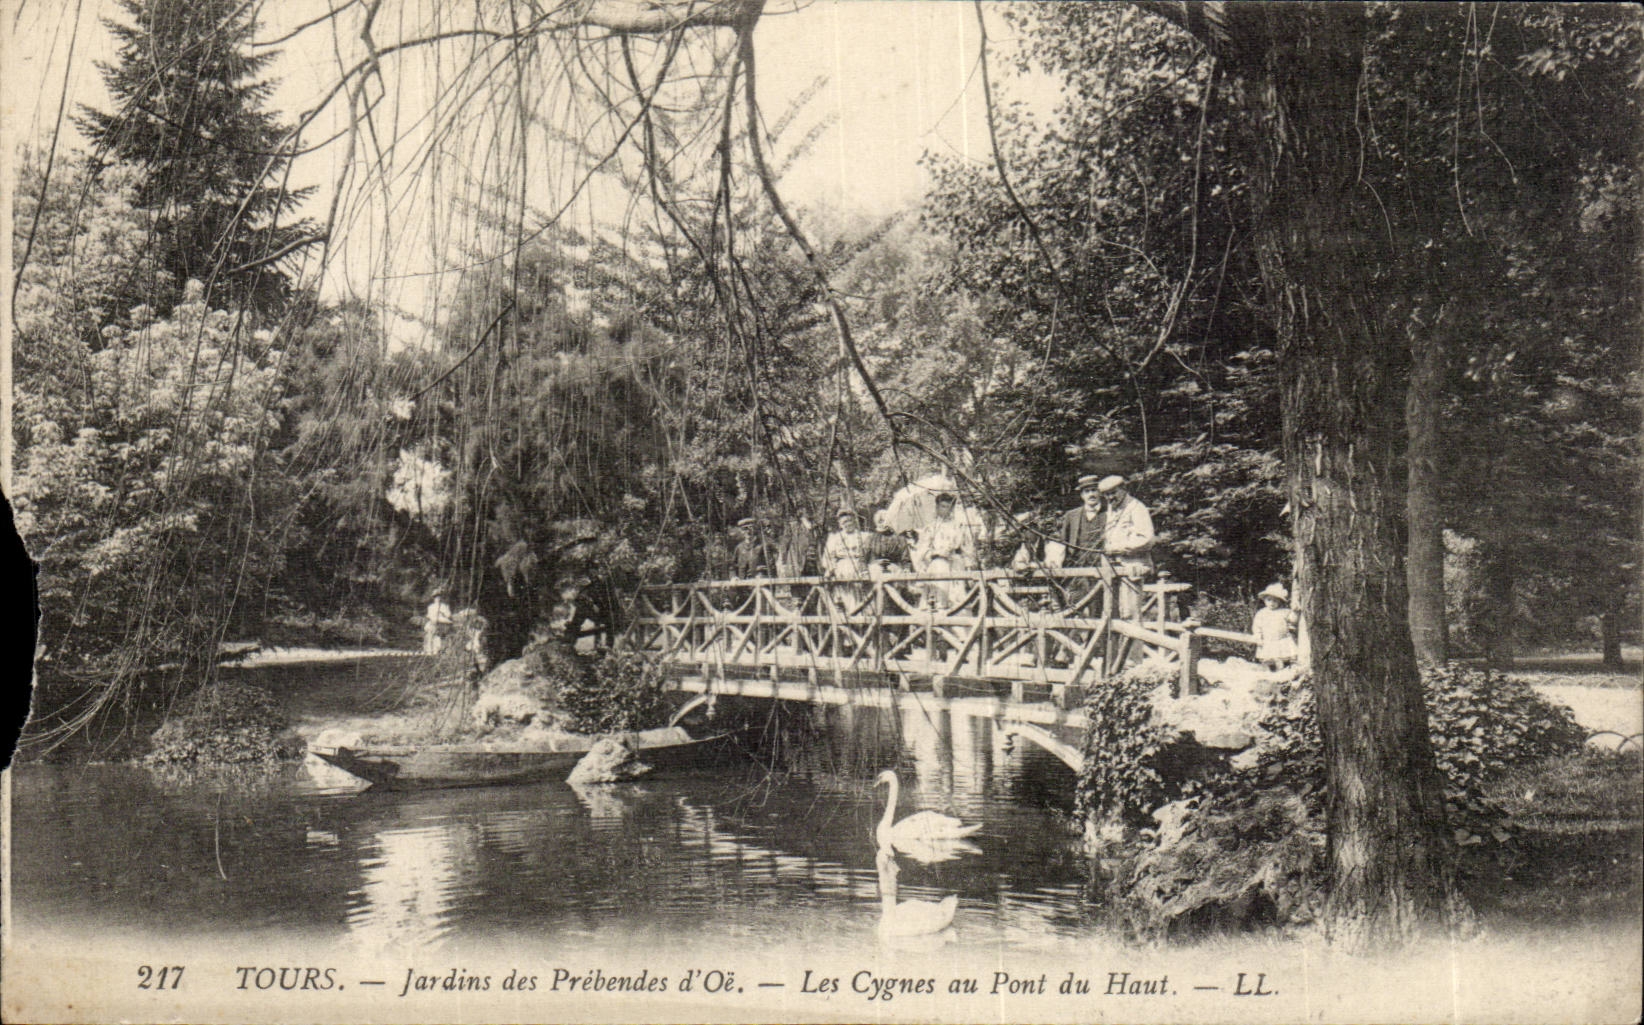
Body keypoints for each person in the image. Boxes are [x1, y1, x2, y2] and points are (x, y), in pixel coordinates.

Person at [1099, 475, 1155, 618]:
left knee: (1130, 613)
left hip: (1132, 568)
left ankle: (1135, 641)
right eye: (1106, 495)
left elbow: (1146, 539)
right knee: (1111, 613)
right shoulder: (1113, 509)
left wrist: (1118, 548)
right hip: (1112, 568)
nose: (1110, 498)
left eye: (1113, 493)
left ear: (1123, 489)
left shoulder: (1136, 507)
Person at [914, 492, 977, 609]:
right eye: (943, 506)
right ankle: (938, 607)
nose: (946, 510)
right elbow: (922, 550)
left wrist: (968, 566)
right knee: (940, 582)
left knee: (957, 598)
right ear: (937, 507)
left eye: (949, 507)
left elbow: (967, 550)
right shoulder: (930, 527)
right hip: (937, 564)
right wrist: (936, 553)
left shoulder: (958, 527)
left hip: (955, 564)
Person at [1252, 583, 1300, 670]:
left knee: (1282, 658)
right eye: (1269, 600)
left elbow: (1293, 620)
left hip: (1281, 640)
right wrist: (1258, 637)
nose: (1272, 603)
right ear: (1264, 600)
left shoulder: (1284, 612)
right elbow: (1257, 627)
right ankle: (1269, 672)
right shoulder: (1262, 613)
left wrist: (1295, 612)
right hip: (1268, 640)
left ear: (1279, 601)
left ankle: (1283, 672)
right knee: (1267, 659)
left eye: (1275, 601)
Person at [423, 586, 453, 655]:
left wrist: (443, 613)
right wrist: (433, 619)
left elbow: (448, 615)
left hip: (442, 622)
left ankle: (442, 649)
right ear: (433, 598)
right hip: (434, 621)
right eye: (436, 597)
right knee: (430, 630)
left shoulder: (444, 606)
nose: (438, 599)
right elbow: (430, 615)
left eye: (439, 597)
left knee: (443, 634)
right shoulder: (431, 606)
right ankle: (430, 650)